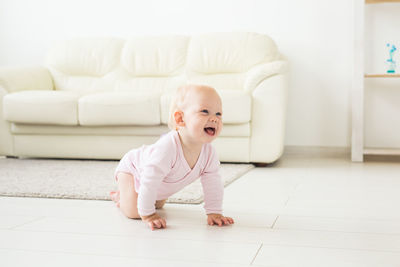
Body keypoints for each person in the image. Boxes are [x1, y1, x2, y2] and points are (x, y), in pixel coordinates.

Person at [110, 84, 234, 230]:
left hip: (157, 183)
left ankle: (131, 196)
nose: (214, 119)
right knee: (135, 211)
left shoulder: (209, 153)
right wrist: (149, 215)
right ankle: (122, 197)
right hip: (133, 169)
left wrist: (214, 212)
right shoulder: (167, 148)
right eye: (204, 112)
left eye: (218, 114)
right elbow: (149, 180)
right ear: (181, 119)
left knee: (159, 204)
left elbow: (213, 184)